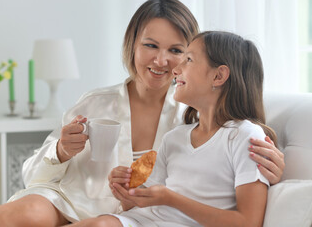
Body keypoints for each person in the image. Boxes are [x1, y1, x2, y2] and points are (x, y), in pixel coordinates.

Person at [0, 0, 284, 227]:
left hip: (129, 214)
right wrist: (61, 150)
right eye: (150, 46)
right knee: (31, 216)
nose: (161, 60)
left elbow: (235, 140)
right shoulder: (96, 102)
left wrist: (273, 165)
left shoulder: (191, 115)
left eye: (177, 51)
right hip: (71, 200)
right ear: (132, 45)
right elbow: (30, 175)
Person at [68, 31, 275, 227]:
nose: (176, 69)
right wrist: (126, 192)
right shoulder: (175, 137)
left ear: (218, 76)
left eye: (189, 60)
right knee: (100, 223)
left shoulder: (245, 137)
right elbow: (144, 204)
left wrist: (172, 199)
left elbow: (249, 222)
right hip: (139, 220)